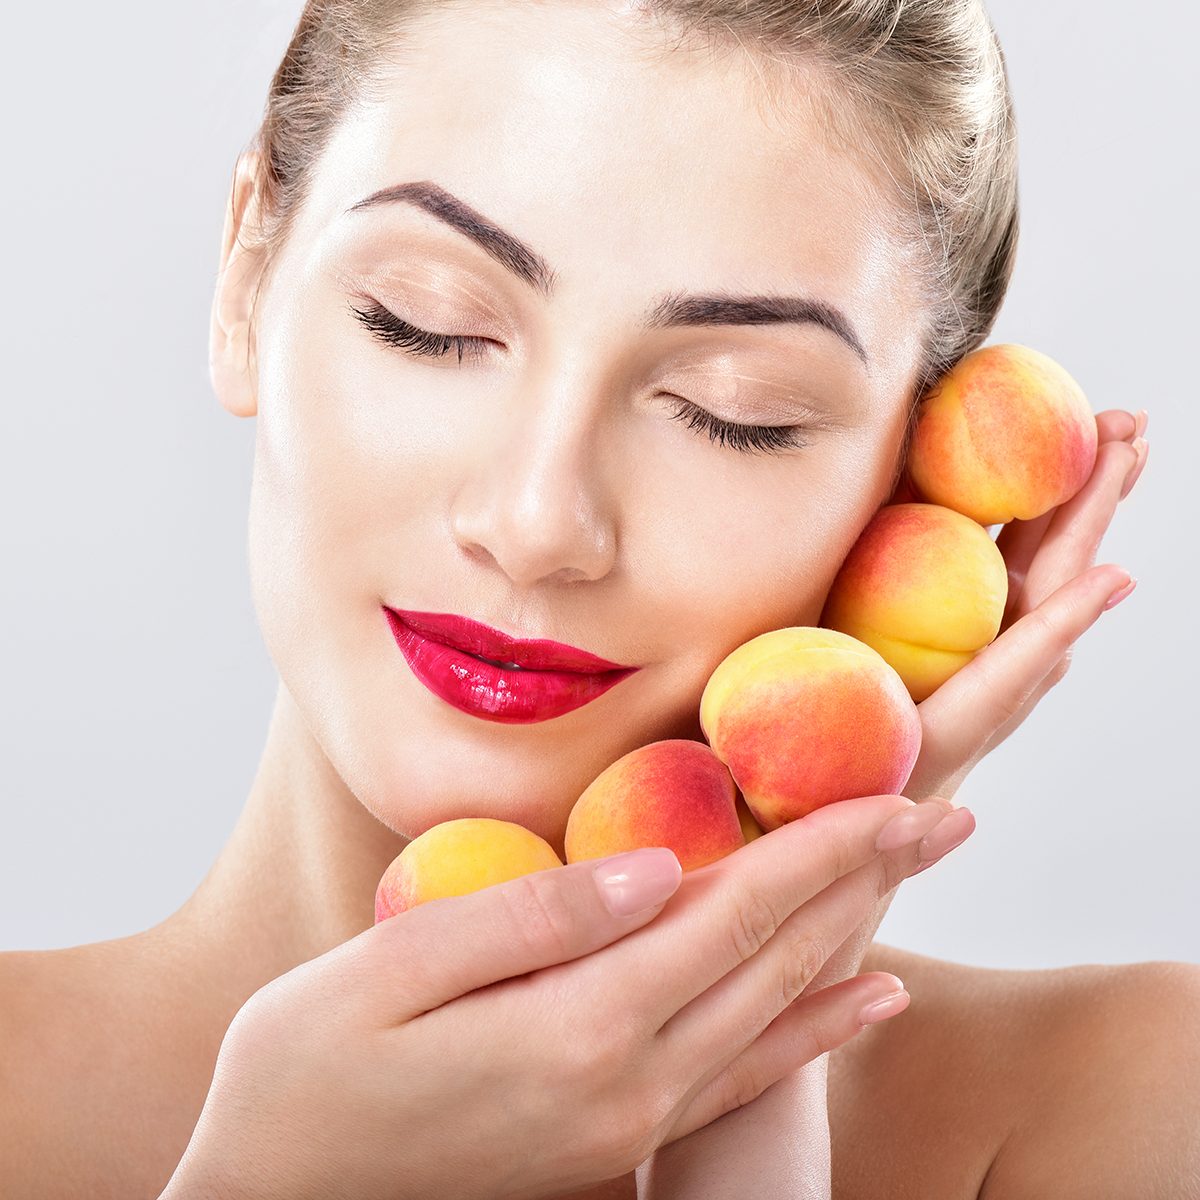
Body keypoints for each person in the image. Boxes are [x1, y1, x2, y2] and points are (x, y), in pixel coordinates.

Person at [1, 0, 1187, 1197]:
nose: (536, 525)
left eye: (735, 411)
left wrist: (751, 1076)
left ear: (910, 481)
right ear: (246, 280)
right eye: (427, 324)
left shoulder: (1131, 1104)